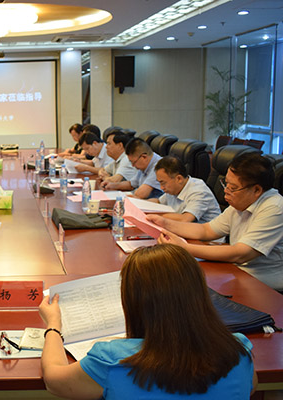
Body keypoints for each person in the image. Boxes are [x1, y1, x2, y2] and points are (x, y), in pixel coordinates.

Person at [39, 244, 256, 399]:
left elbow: (54, 379)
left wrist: (53, 325)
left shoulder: (113, 358)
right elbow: (250, 387)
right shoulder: (238, 351)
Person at [148, 153, 283, 291]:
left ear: (256, 190)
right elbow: (206, 230)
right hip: (235, 271)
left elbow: (241, 253)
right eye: (226, 183)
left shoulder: (274, 208)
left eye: (233, 188)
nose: (226, 191)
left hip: (263, 286)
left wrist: (184, 248)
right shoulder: (241, 203)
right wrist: (165, 223)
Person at [149, 156, 221, 223]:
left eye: (163, 183)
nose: (161, 187)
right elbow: (158, 201)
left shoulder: (199, 191)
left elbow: (185, 219)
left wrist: (154, 214)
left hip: (202, 232)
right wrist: (143, 206)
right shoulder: (174, 188)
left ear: (179, 179)